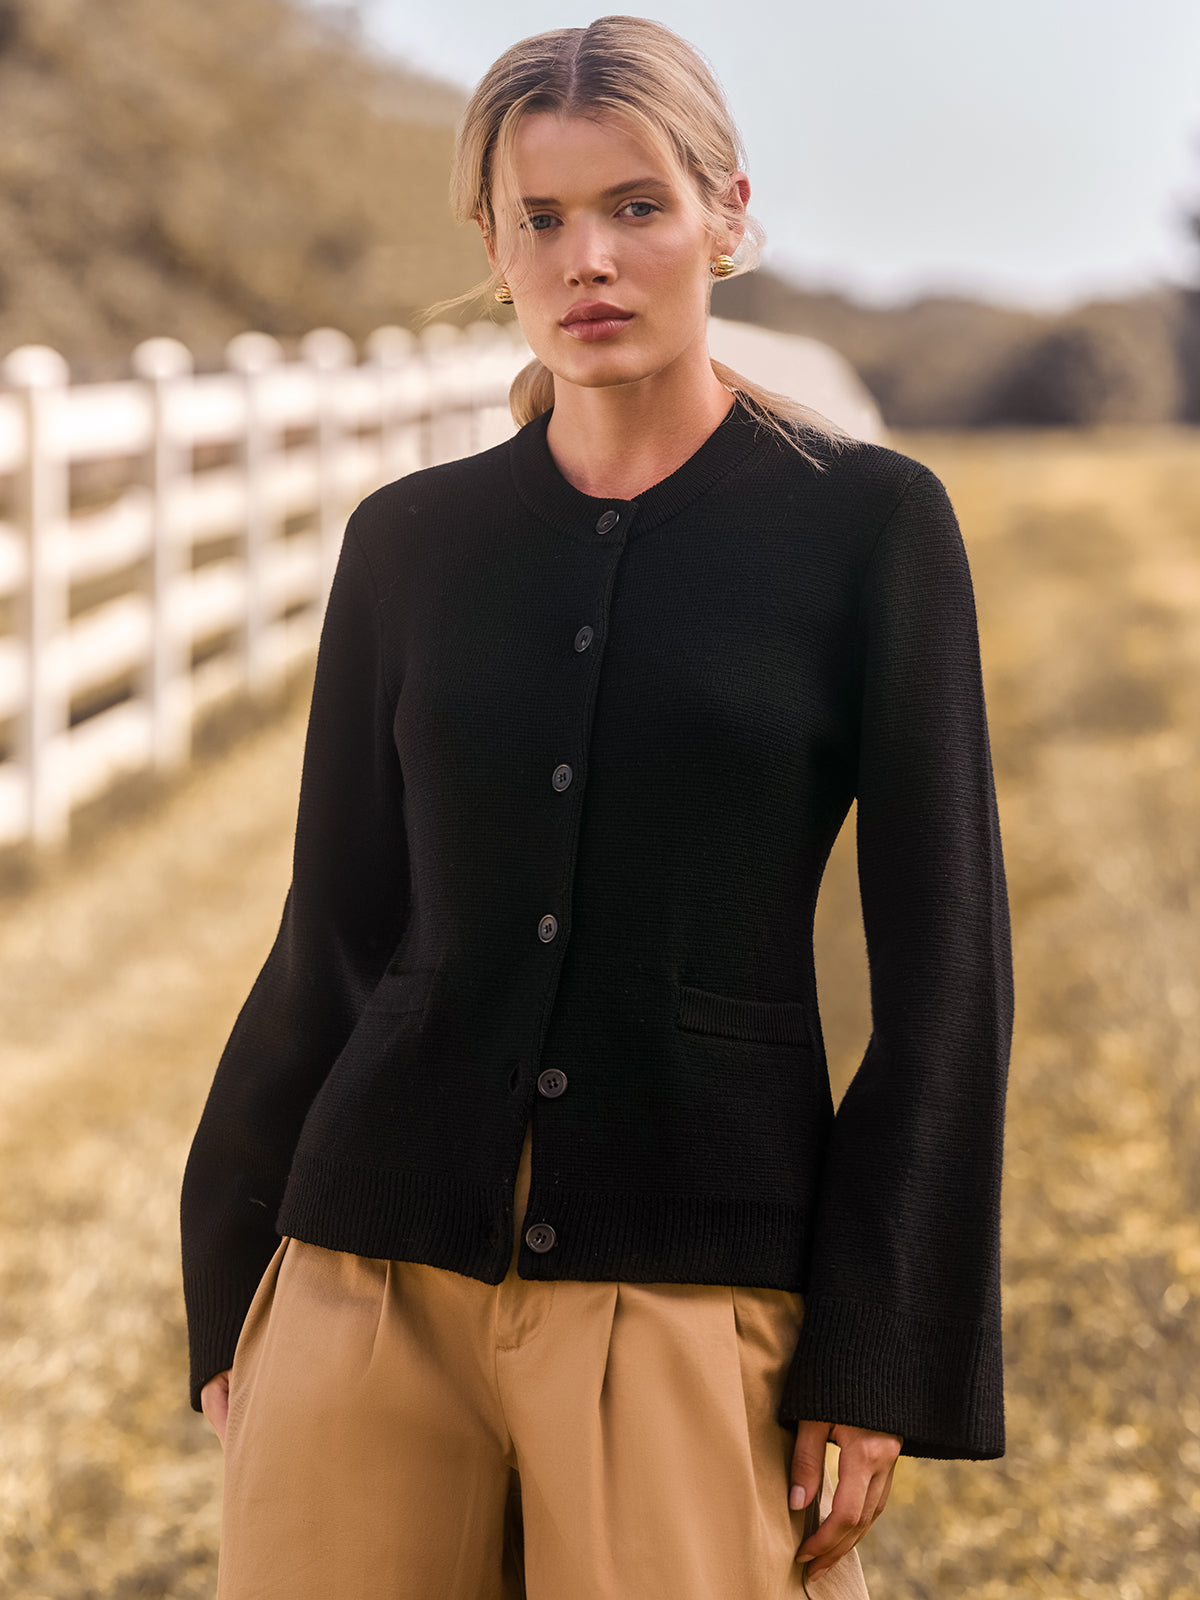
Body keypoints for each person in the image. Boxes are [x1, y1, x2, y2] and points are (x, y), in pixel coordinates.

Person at [180, 15, 1014, 1599]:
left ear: (728, 216)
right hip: (365, 1278)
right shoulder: (408, 543)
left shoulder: (868, 528)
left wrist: (879, 1345)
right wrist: (229, 1267)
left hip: (691, 1275)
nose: (591, 261)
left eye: (637, 206)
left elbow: (947, 981)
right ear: (491, 245)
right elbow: (335, 929)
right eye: (542, 218)